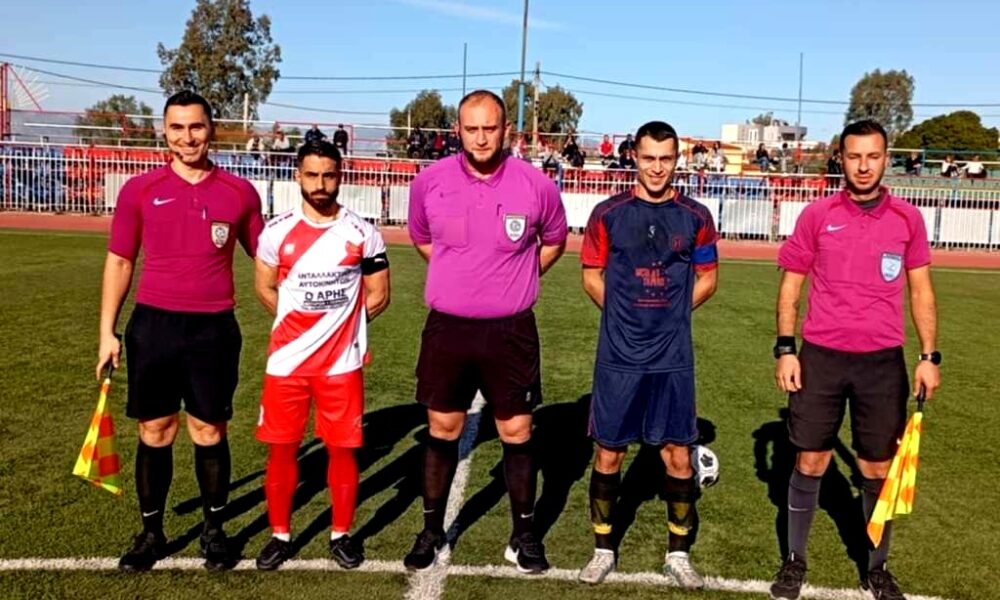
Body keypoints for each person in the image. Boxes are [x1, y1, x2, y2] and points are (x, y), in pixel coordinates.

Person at [770, 119, 940, 600]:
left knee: (876, 469)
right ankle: (794, 561)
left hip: (882, 364)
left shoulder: (908, 219)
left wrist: (929, 356)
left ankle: (877, 568)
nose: (863, 166)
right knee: (811, 460)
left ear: (886, 158)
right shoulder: (817, 215)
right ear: (840, 159)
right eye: (854, 156)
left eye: (873, 156)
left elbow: (921, 291)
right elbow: (791, 285)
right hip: (821, 359)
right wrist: (786, 349)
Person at [96, 91, 264, 572]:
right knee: (155, 430)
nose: (187, 137)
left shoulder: (239, 193)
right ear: (164, 132)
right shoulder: (139, 190)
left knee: (209, 430)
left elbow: (267, 259)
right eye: (177, 128)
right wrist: (107, 332)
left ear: (211, 130)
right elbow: (120, 261)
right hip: (154, 325)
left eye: (196, 127)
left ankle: (214, 532)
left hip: (214, 328)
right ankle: (151, 534)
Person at [405, 89, 568, 574]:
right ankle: (431, 531)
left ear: (507, 131)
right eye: (471, 128)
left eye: (490, 128)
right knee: (442, 428)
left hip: (511, 331)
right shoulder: (429, 182)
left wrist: (515, 278)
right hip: (448, 330)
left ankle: (523, 536)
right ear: (457, 130)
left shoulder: (536, 185)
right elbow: (422, 238)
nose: (480, 138)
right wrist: (459, 277)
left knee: (517, 431)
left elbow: (555, 240)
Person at [578, 120, 719, 587]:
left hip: (671, 357)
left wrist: (674, 314)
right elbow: (591, 275)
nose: (657, 168)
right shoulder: (607, 214)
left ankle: (678, 554)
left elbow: (709, 278)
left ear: (677, 160)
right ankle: (602, 549)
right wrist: (623, 315)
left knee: (677, 456)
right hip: (618, 356)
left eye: (666, 159)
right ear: (634, 158)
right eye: (649, 158)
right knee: (609, 452)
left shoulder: (696, 216)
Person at [252, 140, 390, 571]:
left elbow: (379, 294)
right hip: (286, 363)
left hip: (341, 365)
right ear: (298, 176)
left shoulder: (363, 233)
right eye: (311, 175)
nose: (320, 184)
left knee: (342, 451)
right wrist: (300, 326)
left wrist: (341, 329)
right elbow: (264, 287)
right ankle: (280, 535)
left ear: (340, 176)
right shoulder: (275, 232)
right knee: (281, 450)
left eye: (328, 175)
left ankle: (340, 534)